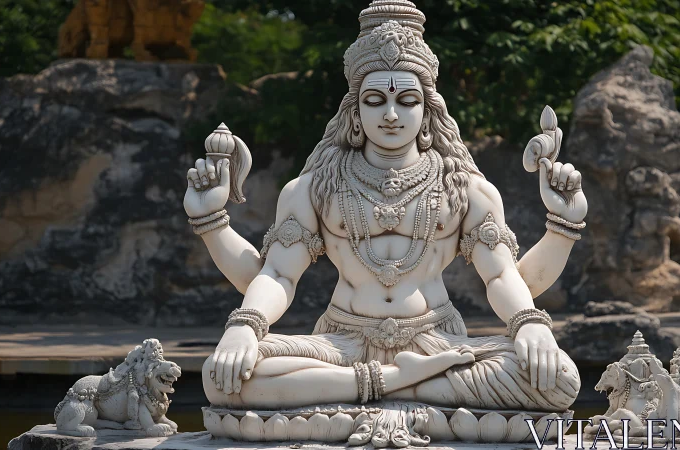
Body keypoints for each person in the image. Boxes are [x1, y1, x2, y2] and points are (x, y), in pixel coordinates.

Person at [184, 0, 586, 412]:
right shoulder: (314, 187)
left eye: (407, 101)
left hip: (438, 343)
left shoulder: (466, 188)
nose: (391, 115)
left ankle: (371, 387)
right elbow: (277, 276)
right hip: (341, 344)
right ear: (355, 113)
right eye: (375, 100)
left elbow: (504, 276)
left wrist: (535, 305)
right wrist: (245, 324)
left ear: (428, 112)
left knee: (559, 379)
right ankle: (404, 385)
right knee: (224, 377)